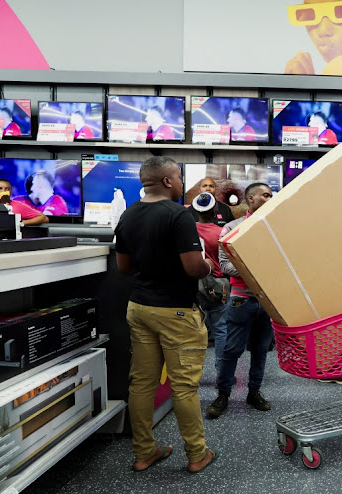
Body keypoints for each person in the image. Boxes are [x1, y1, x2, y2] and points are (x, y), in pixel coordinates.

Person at [114, 156, 218, 474]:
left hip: (139, 308)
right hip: (175, 311)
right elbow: (192, 267)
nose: (184, 185)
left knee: (142, 383)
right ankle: (197, 454)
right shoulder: (177, 215)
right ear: (169, 181)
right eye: (181, 179)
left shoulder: (128, 214)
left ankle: (144, 452)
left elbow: (125, 267)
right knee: (184, 386)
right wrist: (208, 266)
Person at [207, 182, 275, 418]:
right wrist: (256, 270)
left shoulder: (275, 228)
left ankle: (254, 392)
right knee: (231, 349)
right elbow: (225, 265)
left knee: (261, 349)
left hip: (268, 300)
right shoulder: (232, 228)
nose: (270, 199)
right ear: (251, 199)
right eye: (265, 195)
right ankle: (223, 394)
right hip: (240, 299)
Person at [193, 192, 229, 360]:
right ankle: (221, 373)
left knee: (195, 330)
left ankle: (195, 374)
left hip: (195, 285)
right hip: (218, 287)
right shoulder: (222, 232)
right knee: (221, 329)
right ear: (215, 209)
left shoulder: (189, 230)